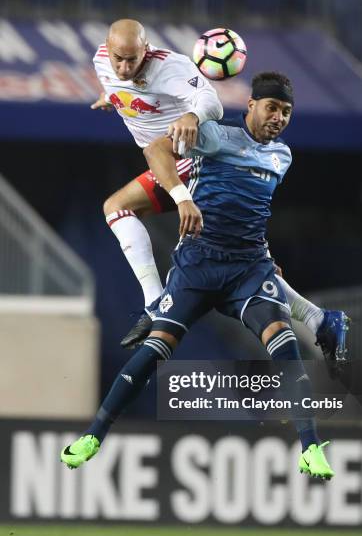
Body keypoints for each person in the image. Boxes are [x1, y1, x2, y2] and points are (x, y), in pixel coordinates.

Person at [62, 71, 335, 479]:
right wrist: (182, 194)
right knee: (152, 352)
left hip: (247, 268)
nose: (278, 117)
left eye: (286, 111)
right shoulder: (215, 136)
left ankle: (311, 448)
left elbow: (251, 211)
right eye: (272, 107)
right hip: (198, 265)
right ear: (252, 106)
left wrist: (265, 254)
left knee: (285, 345)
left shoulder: (283, 156)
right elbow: (156, 148)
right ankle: (94, 436)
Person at [93, 19, 349, 366]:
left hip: (182, 157)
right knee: (240, 256)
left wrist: (192, 116)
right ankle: (318, 317)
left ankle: (154, 302)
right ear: (109, 50)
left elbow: (210, 101)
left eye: (132, 60)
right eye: (118, 60)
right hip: (163, 162)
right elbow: (122, 84)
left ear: (146, 49)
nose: (124, 67)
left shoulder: (171, 67)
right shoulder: (101, 62)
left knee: (117, 207)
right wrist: (113, 96)